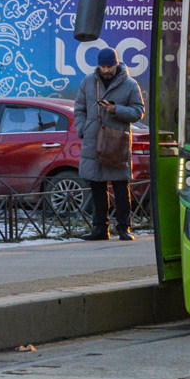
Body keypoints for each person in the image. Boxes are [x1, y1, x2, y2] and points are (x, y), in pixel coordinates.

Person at [74, 47, 144, 241]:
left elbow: (139, 112)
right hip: (93, 140)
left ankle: (124, 228)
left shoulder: (130, 84)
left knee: (121, 186)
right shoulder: (88, 82)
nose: (106, 70)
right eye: (103, 66)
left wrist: (116, 110)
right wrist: (83, 128)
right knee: (97, 186)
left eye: (109, 66)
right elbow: (79, 108)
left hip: (116, 142)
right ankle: (100, 228)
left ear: (116, 64)